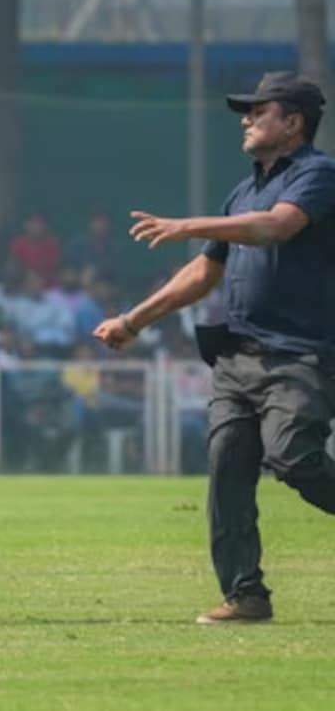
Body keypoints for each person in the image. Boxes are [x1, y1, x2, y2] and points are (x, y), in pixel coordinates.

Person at [94, 71, 335, 624]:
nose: (246, 120)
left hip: (299, 354)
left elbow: (276, 227)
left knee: (294, 457)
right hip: (237, 356)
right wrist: (133, 321)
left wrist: (187, 225)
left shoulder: (318, 175)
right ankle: (245, 594)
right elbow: (204, 273)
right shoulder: (243, 191)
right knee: (228, 469)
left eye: (259, 111)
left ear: (293, 122)